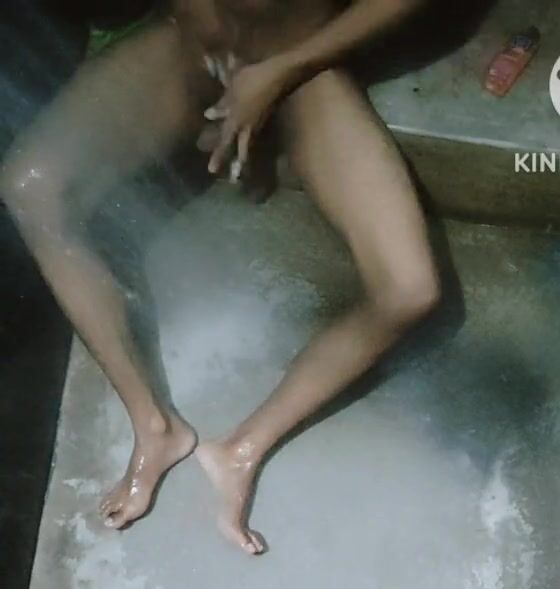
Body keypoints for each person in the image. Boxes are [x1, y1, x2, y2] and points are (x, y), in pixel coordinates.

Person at [1, 0, 440, 554]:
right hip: (195, 40)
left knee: (409, 289)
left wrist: (285, 69)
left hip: (303, 61)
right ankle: (154, 425)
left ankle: (240, 450)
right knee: (31, 186)